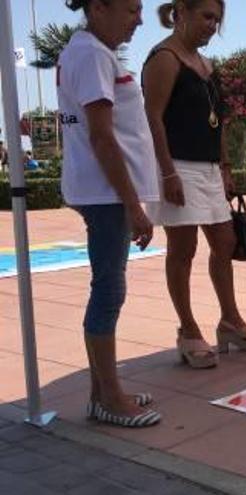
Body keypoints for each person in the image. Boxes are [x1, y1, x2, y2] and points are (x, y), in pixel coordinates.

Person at [143, 0, 246, 370]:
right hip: (177, 164)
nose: (212, 25)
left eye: (217, 19)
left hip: (209, 168)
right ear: (181, 11)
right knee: (183, 249)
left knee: (225, 242)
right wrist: (166, 173)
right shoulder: (164, 58)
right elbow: (153, 117)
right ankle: (188, 330)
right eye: (206, 16)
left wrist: (225, 167)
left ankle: (229, 320)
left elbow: (219, 122)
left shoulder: (206, 64)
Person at [58, 0, 161, 427]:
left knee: (108, 288)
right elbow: (101, 137)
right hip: (106, 195)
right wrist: (132, 205)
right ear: (99, 7)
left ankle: (103, 392)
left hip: (105, 193)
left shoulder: (88, 51)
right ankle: (109, 399)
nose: (139, 18)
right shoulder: (92, 54)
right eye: (132, 9)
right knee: (108, 291)